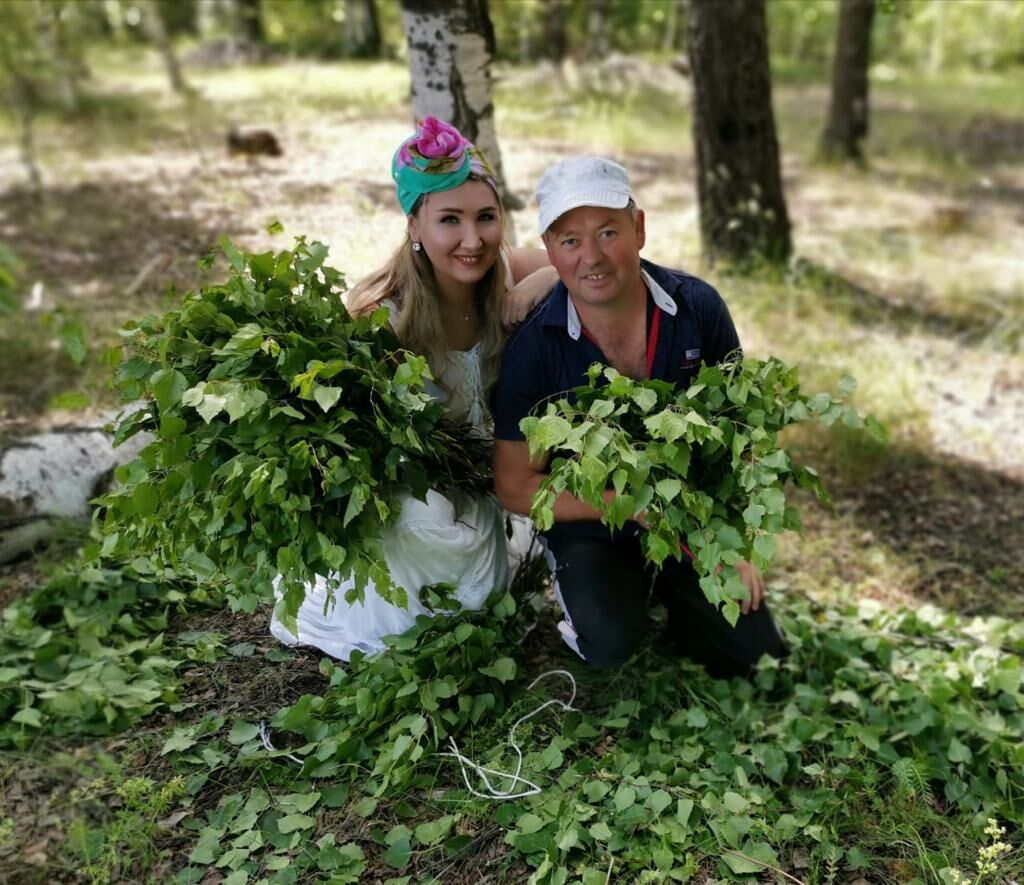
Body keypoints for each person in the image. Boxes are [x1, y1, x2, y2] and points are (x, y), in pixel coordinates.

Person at [270, 117, 555, 660]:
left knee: (465, 544)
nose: (474, 240)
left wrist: (545, 279)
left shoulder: (509, 272)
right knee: (426, 534)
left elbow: (589, 264)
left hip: (473, 477)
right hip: (406, 484)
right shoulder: (383, 314)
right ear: (414, 226)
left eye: (486, 217)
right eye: (450, 220)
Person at [492, 156, 787, 679]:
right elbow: (516, 486)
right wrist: (628, 507)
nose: (592, 257)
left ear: (640, 229)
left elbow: (741, 437)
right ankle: (600, 593)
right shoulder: (536, 347)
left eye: (608, 232)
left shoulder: (697, 308)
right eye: (570, 241)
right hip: (592, 517)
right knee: (609, 643)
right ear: (551, 253)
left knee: (756, 657)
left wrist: (732, 544)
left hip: (687, 512)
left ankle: (671, 587)